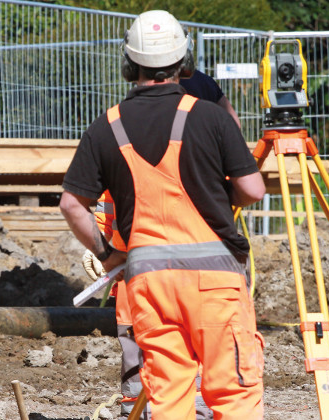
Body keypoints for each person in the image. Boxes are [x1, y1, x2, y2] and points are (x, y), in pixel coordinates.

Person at [61, 10, 266, 420]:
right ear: (184, 63)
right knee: (233, 394)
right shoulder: (210, 117)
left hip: (150, 283)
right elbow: (253, 189)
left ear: (128, 64)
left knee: (169, 397)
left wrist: (107, 254)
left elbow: (71, 205)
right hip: (215, 282)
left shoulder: (107, 126)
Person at [86, 68, 242, 420]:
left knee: (162, 367)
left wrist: (104, 249)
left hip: (144, 280)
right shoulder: (203, 151)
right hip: (180, 283)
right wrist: (102, 243)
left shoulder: (124, 130)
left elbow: (86, 201)